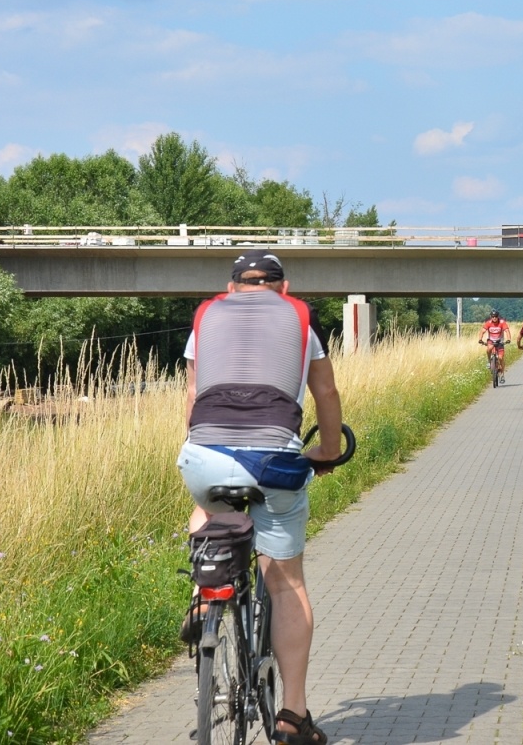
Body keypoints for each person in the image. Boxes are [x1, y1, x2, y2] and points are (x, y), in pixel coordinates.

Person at [176, 250, 342, 745]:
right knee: (286, 583)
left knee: (207, 507)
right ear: (283, 288)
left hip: (205, 454)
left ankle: (204, 598)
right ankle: (292, 715)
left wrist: (206, 450)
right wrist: (328, 451)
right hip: (274, 461)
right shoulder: (300, 323)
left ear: (231, 288)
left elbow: (190, 397)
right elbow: (326, 394)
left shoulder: (205, 323)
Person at [478, 309, 511, 378]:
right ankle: (489, 361)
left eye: (496, 316)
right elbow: (482, 331)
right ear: (491, 317)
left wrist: (508, 339)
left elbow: (507, 331)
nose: (494, 318)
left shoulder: (502, 322)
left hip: (500, 341)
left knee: (500, 358)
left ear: (498, 316)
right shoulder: (488, 323)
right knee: (489, 348)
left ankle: (502, 373)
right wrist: (480, 339)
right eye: (493, 316)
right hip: (491, 340)